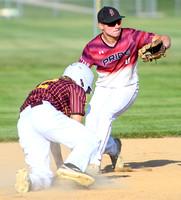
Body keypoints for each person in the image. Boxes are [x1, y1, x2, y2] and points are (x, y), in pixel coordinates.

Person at [78, 6, 171, 175]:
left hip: (126, 88)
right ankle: (114, 147)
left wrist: (162, 46)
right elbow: (80, 72)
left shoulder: (131, 36)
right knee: (90, 129)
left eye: (118, 21)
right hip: (103, 89)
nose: (116, 25)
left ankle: (94, 164)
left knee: (105, 115)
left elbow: (164, 38)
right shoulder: (92, 47)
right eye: (111, 23)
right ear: (101, 25)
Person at [15, 62, 101, 193]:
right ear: (82, 81)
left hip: (24, 121)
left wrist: (60, 165)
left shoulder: (49, 83)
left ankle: (29, 181)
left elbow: (52, 137)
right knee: (91, 140)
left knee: (44, 176)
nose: (85, 92)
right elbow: (76, 122)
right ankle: (73, 167)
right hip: (43, 112)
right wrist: (71, 165)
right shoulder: (75, 87)